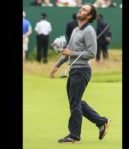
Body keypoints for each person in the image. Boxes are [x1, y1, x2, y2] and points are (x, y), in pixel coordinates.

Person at [50, 3, 110, 143]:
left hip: (82, 70)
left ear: (89, 16)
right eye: (81, 8)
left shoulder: (89, 30)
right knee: (75, 101)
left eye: (84, 9)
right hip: (74, 69)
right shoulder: (76, 29)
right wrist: (57, 65)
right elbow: (68, 51)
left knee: (75, 102)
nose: (80, 10)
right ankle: (101, 122)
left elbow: (92, 53)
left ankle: (74, 135)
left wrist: (73, 53)